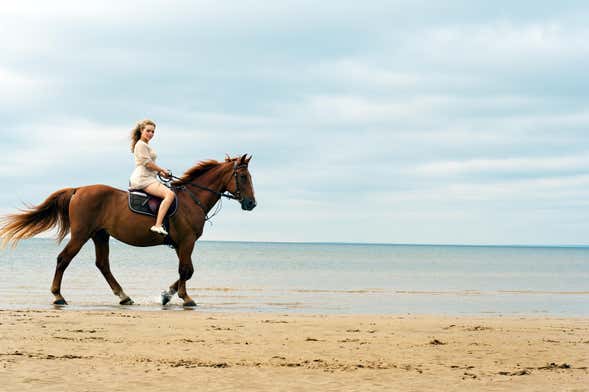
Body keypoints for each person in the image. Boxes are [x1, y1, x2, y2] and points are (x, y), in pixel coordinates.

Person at [129, 119, 175, 236]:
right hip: (143, 178)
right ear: (141, 130)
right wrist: (161, 170)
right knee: (169, 195)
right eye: (148, 131)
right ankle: (157, 225)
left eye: (153, 132)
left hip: (149, 177)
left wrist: (161, 173)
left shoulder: (145, 145)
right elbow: (147, 163)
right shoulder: (141, 145)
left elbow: (150, 166)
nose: (151, 134)